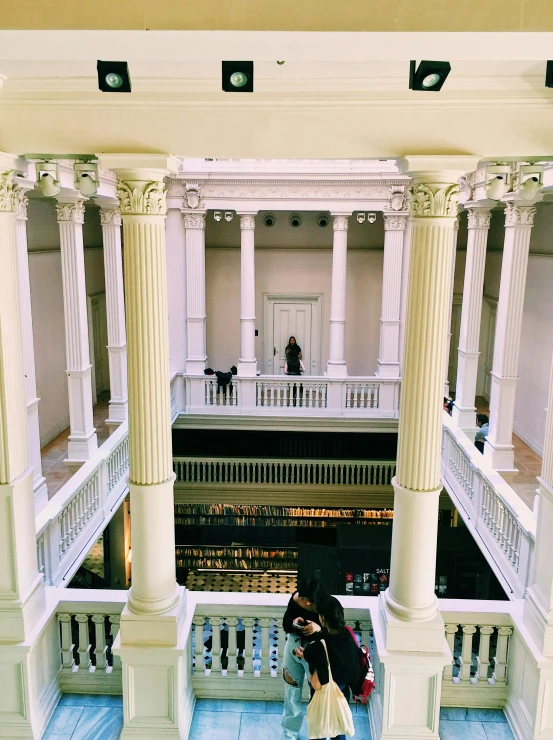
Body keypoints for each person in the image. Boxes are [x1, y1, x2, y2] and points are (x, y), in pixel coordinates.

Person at [296, 595, 358, 740]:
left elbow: (316, 682)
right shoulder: (348, 634)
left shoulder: (318, 647)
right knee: (339, 726)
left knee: (321, 730)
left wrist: (305, 656)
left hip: (324, 695)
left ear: (322, 618)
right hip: (342, 692)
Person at [281, 577, 326, 740]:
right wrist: (293, 622)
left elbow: (336, 634)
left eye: (307, 600)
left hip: (315, 653)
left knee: (317, 696)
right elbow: (285, 623)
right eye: (302, 597)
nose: (304, 602)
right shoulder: (295, 599)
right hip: (293, 647)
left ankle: (317, 734)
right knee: (291, 691)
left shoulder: (327, 606)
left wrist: (318, 629)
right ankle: (289, 733)